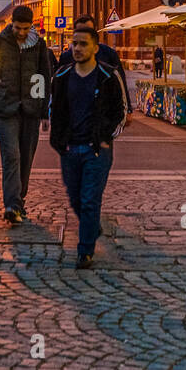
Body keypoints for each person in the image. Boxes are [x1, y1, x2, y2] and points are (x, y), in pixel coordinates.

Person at [0, 5, 53, 226]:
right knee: (11, 155)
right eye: (17, 28)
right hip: (6, 108)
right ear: (10, 24)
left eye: (25, 28)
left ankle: (18, 201)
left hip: (31, 110)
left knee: (26, 159)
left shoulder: (38, 45)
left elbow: (43, 77)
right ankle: (12, 205)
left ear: (31, 26)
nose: (21, 33)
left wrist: (44, 111)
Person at [50, 23, 127, 270]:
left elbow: (122, 110)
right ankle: (91, 225)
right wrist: (59, 141)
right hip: (70, 149)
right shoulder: (62, 76)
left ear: (95, 47)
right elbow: (55, 108)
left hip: (97, 150)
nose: (77, 48)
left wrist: (107, 138)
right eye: (75, 43)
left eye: (83, 44)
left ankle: (85, 252)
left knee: (90, 199)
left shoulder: (108, 75)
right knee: (75, 199)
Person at [59, 14, 132, 118]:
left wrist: (128, 108)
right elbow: (58, 93)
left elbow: (121, 84)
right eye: (80, 30)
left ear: (95, 31)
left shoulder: (109, 54)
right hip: (72, 116)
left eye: (88, 30)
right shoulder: (66, 57)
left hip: (102, 115)